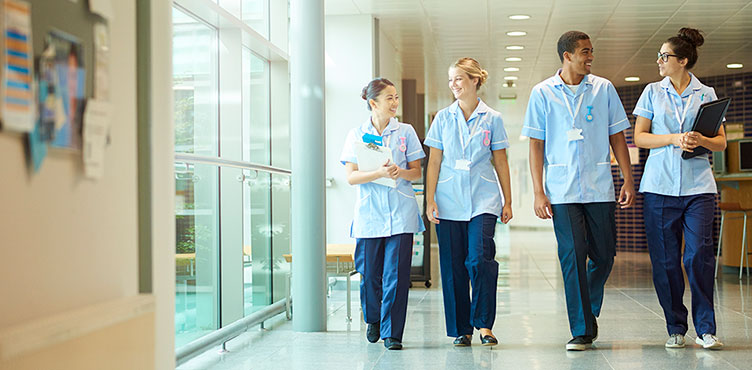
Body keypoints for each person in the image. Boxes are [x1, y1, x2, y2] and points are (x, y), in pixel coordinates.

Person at [521, 31, 635, 351]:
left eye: (591, 51)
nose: (590, 57)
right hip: (561, 189)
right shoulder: (542, 92)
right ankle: (582, 327)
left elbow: (617, 137)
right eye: (585, 52)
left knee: (604, 256)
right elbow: (535, 144)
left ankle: (586, 307)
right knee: (572, 256)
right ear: (567, 56)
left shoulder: (604, 89)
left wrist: (627, 179)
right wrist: (538, 191)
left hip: (600, 186)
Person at [633, 27, 726, 350]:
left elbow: (721, 142)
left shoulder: (707, 94)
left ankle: (705, 329)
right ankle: (675, 326)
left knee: (699, 254)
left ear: (683, 61)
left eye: (665, 56)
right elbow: (640, 137)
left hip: (699, 186)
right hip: (659, 187)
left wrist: (701, 139)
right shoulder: (652, 92)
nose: (659, 60)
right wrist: (674, 138)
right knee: (666, 260)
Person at [424, 57, 513, 347]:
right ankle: (462, 329)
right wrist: (430, 200)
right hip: (449, 200)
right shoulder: (442, 118)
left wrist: (507, 200)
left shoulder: (493, 119)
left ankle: (484, 324)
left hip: (483, 200)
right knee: (452, 267)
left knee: (479, 259)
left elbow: (500, 160)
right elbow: (434, 161)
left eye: (459, 79)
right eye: (451, 80)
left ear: (475, 80)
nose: (454, 85)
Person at [340, 78, 426, 350]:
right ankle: (374, 319)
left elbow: (417, 172)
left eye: (397, 97)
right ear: (373, 103)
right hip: (369, 214)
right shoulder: (356, 135)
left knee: (397, 276)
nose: (395, 103)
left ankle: (392, 333)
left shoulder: (406, 131)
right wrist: (378, 173)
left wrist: (399, 173)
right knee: (369, 274)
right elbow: (351, 177)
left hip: (401, 212)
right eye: (389, 98)